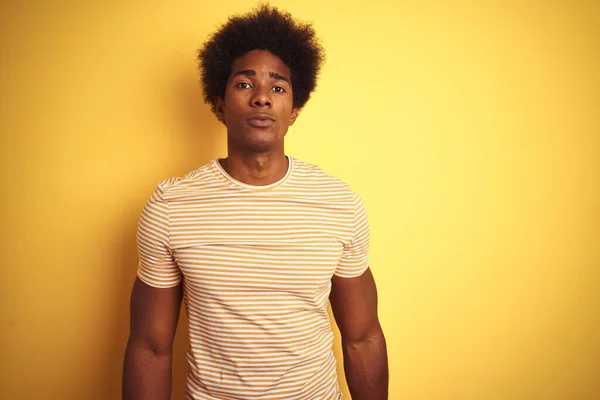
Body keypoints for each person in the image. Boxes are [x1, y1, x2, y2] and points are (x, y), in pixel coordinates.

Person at [122, 4, 388, 399]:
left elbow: (363, 337)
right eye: (245, 84)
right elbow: (150, 347)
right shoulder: (171, 206)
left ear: (294, 109)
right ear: (218, 103)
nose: (262, 97)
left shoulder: (338, 202)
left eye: (277, 87)